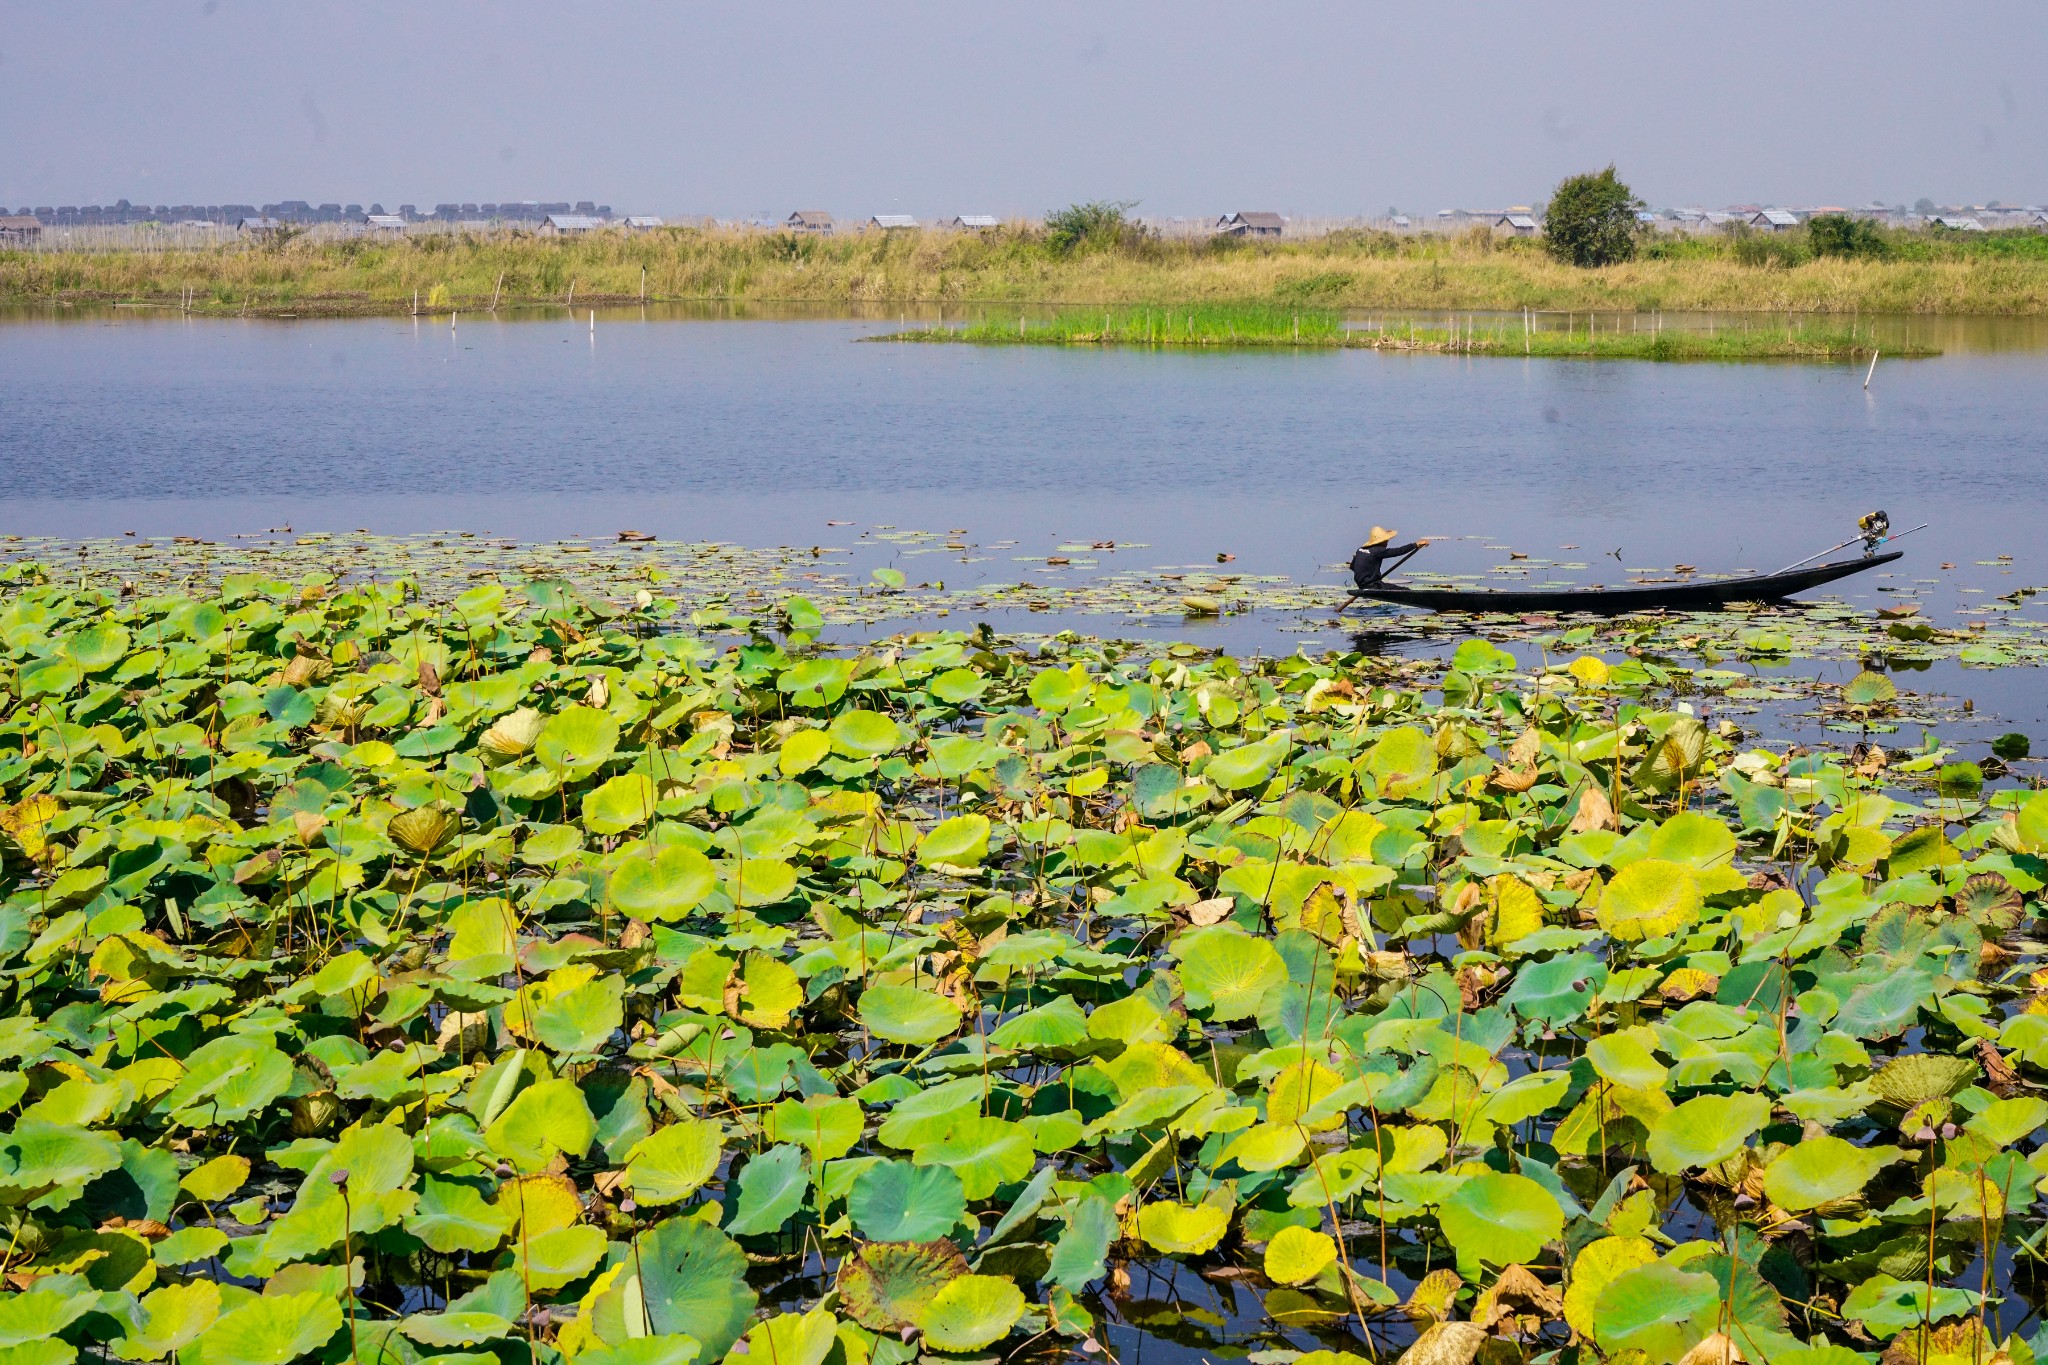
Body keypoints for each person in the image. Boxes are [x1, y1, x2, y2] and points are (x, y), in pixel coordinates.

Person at [1351, 526, 1429, 588]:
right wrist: (1416, 544)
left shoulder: (1360, 550)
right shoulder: (1378, 551)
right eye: (1387, 540)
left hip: (1361, 584)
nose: (1387, 542)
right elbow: (1399, 551)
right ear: (1383, 541)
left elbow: (1352, 567)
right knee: (1403, 590)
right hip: (1373, 585)